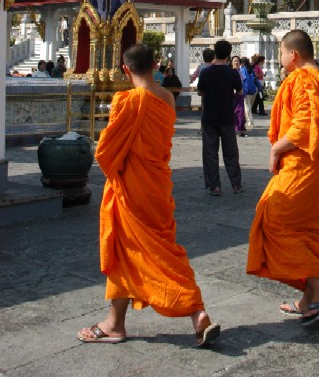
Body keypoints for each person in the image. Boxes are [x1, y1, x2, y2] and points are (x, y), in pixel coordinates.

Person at [76, 42, 220, 347]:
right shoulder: (167, 98)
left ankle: (193, 307)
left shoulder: (127, 100)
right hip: (157, 186)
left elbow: (104, 152)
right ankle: (117, 323)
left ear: (125, 70)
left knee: (132, 252)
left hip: (132, 189)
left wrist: (117, 171)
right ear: (155, 65)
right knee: (159, 251)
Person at [247, 29, 319, 324]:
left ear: (295, 54)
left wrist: (277, 147)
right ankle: (309, 297)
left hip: (306, 161)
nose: (279, 58)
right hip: (313, 161)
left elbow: (306, 124)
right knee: (306, 228)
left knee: (275, 220)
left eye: (280, 52)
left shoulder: (306, 79)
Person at [197, 39, 244, 195]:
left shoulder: (206, 72)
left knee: (210, 153)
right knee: (231, 151)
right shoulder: (232, 73)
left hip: (209, 117)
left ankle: (214, 185)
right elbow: (239, 92)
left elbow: (200, 91)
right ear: (229, 54)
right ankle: (236, 184)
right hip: (226, 116)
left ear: (215, 52)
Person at [240, 56, 258, 130]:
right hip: (253, 89)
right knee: (249, 106)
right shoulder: (251, 69)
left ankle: (250, 122)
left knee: (247, 107)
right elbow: (255, 78)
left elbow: (243, 80)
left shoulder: (243, 69)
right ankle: (247, 121)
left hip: (246, 90)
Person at [230, 55, 246, 136]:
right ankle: (233, 128)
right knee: (232, 112)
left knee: (240, 111)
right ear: (231, 62)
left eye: (237, 61)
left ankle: (240, 128)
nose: (236, 62)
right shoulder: (229, 71)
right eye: (234, 60)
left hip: (240, 94)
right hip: (231, 95)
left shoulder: (242, 71)